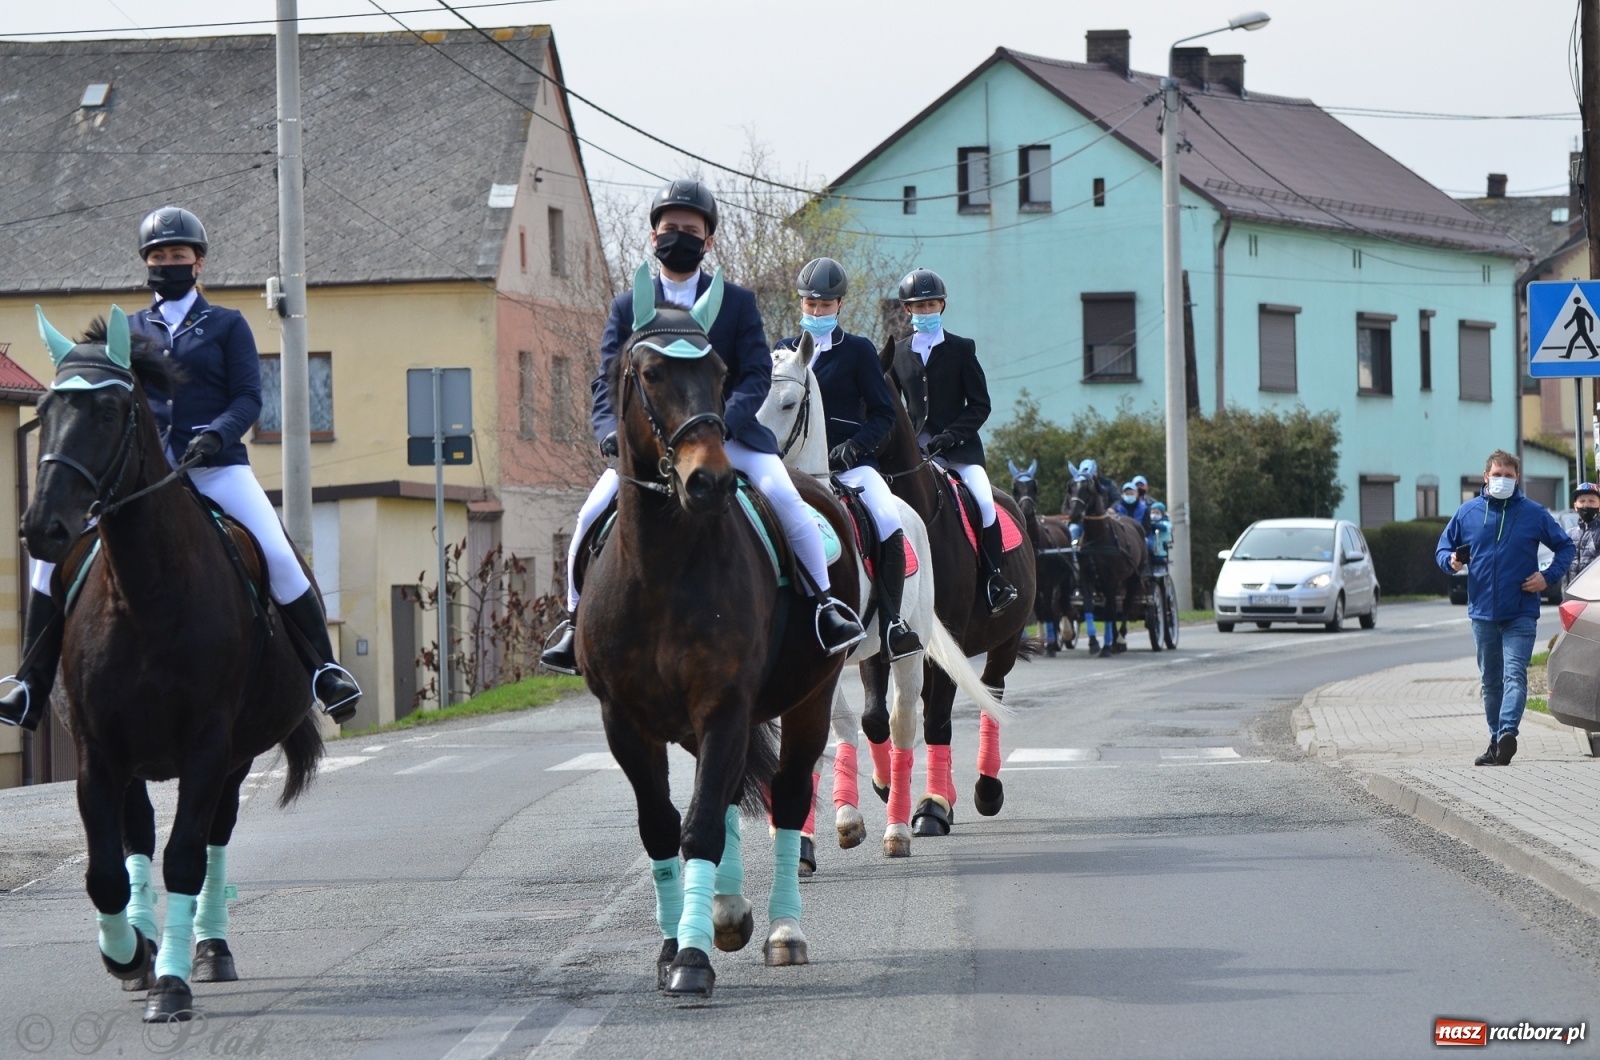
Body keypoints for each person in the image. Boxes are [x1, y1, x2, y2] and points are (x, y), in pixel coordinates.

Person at [0, 206, 361, 731]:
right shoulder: (130, 330)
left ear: (198, 264)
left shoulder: (226, 325)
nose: (166, 263)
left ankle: (325, 672)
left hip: (216, 467)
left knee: (278, 553)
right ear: (147, 264)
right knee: (48, 562)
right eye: (157, 256)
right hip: (141, 479)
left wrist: (217, 434)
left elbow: (248, 397)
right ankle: (30, 684)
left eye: (177, 255)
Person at [540, 182, 866, 674]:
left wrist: (718, 425)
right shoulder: (629, 307)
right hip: (654, 450)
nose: (680, 236)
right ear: (654, 236)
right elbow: (606, 378)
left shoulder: (734, 302)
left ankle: (825, 605)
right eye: (671, 229)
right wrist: (610, 429)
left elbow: (757, 372)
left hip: (729, 441)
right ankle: (571, 621)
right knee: (589, 516)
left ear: (708, 241)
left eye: (691, 230)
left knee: (789, 501)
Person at [775, 257, 921, 660]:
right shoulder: (783, 351)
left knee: (888, 519)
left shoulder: (856, 350)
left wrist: (856, 445)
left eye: (824, 305)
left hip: (851, 463)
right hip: (794, 465)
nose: (816, 312)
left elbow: (883, 414)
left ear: (840, 305)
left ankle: (893, 621)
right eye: (810, 304)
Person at [889, 268, 1016, 614]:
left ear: (942, 305)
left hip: (959, 452)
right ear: (907, 309)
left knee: (985, 503)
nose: (925, 311)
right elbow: (891, 407)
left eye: (931, 304)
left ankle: (994, 579)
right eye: (919, 306)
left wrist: (951, 436)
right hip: (915, 454)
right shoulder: (897, 354)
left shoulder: (961, 349)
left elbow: (980, 405)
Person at [1436, 449, 1573, 766]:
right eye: (1496, 475)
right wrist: (1451, 560)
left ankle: (1506, 734)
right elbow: (1443, 549)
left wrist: (1548, 577)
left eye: (1508, 476)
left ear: (1517, 479)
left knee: (1515, 676)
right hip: (1482, 612)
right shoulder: (1468, 513)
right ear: (1486, 477)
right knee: (1490, 682)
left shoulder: (1534, 513)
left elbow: (1565, 546)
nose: (1502, 480)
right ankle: (1496, 743)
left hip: (1521, 611)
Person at [1567, 482, 1600, 584]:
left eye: (1591, 501)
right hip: (1574, 594)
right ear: (1575, 506)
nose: (1586, 505)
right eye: (1582, 501)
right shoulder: (1569, 535)